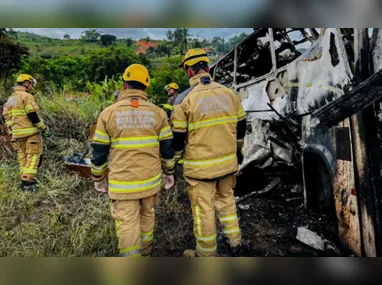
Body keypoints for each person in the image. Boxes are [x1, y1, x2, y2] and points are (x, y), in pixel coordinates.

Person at [90, 64, 175, 257]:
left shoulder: (107, 114)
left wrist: (98, 178)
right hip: (150, 182)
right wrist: (169, 173)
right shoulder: (158, 113)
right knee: (146, 216)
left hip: (123, 184)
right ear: (146, 86)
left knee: (127, 222)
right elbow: (167, 149)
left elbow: (99, 153)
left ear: (124, 84)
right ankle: (145, 253)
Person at [172, 48, 247, 257]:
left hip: (200, 170)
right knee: (226, 201)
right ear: (207, 66)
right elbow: (242, 125)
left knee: (203, 210)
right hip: (228, 164)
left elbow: (178, 138)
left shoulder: (182, 101)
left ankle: (205, 254)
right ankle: (235, 242)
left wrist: (174, 163)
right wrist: (238, 150)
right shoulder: (229, 93)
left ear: (189, 71)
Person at [2, 74, 51, 192]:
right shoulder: (27, 96)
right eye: (31, 84)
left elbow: (6, 117)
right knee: (34, 155)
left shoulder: (11, 98)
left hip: (16, 134)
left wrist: (12, 130)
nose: (32, 87)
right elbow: (32, 114)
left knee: (22, 156)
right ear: (25, 83)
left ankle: (24, 179)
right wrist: (43, 128)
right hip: (30, 133)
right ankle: (29, 183)